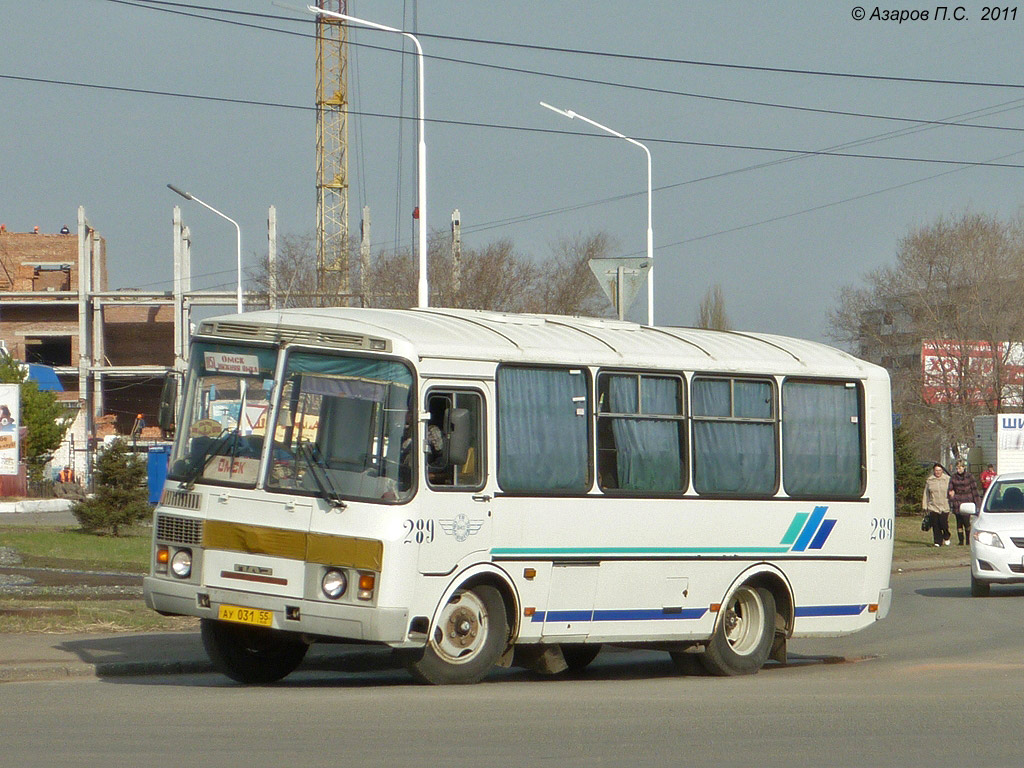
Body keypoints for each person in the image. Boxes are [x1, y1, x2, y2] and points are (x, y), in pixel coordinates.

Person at [949, 459, 980, 545]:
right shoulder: (953, 477)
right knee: (959, 523)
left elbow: (975, 491)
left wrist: (978, 504)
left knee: (967, 522)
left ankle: (968, 540)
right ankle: (961, 541)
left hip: (967, 501)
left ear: (964, 467)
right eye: (957, 468)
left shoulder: (970, 477)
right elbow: (950, 488)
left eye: (960, 468)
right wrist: (951, 494)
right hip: (957, 501)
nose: (959, 470)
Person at [922, 463, 951, 547]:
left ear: (942, 471)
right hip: (933, 506)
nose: (938, 472)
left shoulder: (947, 479)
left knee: (943, 523)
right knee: (935, 524)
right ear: (934, 471)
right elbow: (926, 493)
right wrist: (925, 505)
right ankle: (937, 541)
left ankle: (946, 536)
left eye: (939, 470)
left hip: (945, 505)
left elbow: (953, 489)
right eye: (936, 470)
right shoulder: (930, 480)